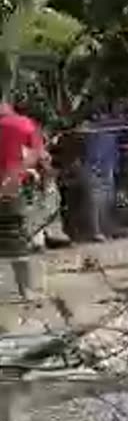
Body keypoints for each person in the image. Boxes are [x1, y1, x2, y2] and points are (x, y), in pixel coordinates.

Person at [0, 99, 51, 299]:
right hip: (11, 188)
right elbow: (41, 156)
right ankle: (26, 290)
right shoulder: (24, 124)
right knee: (17, 240)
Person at [82, 105, 122, 242]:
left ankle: (107, 230)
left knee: (108, 201)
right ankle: (96, 231)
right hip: (94, 170)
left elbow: (114, 151)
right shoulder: (90, 130)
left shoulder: (111, 131)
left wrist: (115, 167)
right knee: (95, 202)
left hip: (108, 169)